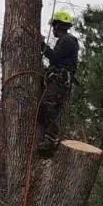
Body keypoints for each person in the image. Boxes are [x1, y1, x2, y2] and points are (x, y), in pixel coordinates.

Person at [36, 11, 79, 156]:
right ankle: (48, 137)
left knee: (47, 104)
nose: (53, 30)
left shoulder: (68, 40)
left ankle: (52, 137)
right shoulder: (65, 41)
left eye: (54, 26)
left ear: (59, 25)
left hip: (61, 81)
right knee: (45, 106)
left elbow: (55, 58)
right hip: (59, 79)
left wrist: (41, 45)